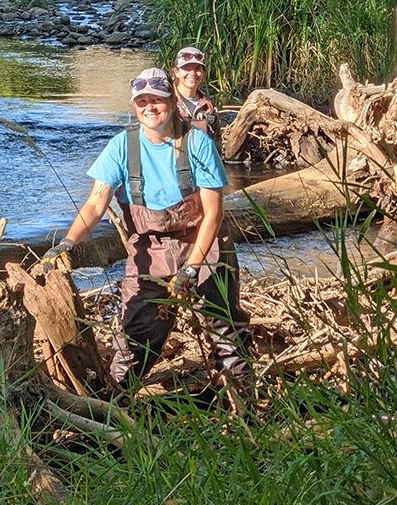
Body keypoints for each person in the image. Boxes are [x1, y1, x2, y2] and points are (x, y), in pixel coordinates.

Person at [41, 68, 250, 389]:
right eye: (142, 101)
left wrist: (192, 268)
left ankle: (242, 400)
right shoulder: (121, 147)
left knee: (226, 331)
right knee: (135, 338)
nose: (150, 107)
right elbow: (95, 204)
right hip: (150, 252)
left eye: (157, 100)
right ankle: (117, 405)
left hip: (205, 245)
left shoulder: (198, 142)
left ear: (172, 101)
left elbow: (213, 214)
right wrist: (67, 243)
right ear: (134, 105)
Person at [172, 45, 221, 140]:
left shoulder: (209, 106)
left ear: (204, 73)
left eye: (197, 68)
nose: (192, 73)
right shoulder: (167, 101)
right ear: (176, 72)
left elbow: (216, 141)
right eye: (186, 68)